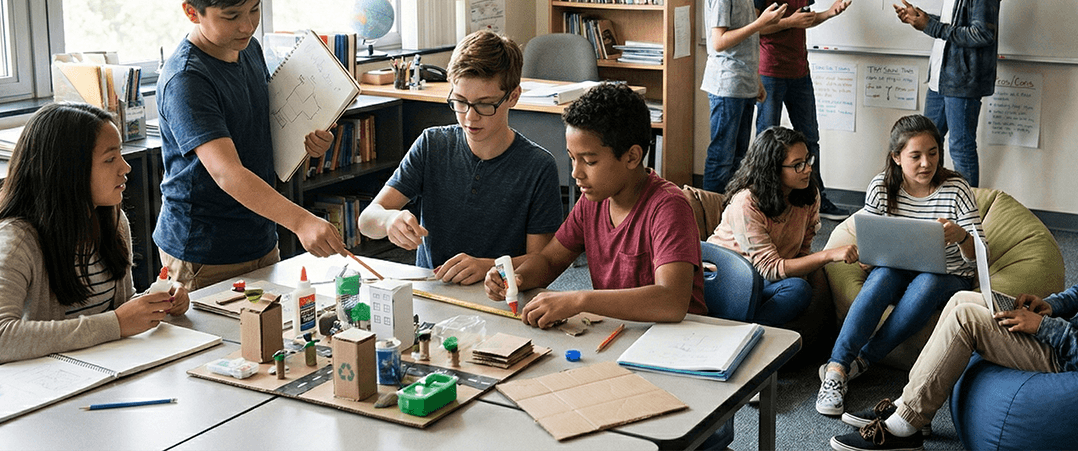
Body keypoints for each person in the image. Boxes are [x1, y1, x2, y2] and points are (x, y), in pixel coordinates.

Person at [831, 158, 1078, 451]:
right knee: (964, 298)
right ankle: (912, 410)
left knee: (966, 316)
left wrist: (1043, 327)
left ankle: (904, 428)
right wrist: (1048, 306)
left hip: (1070, 359)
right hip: (1065, 333)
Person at [155, 0, 344, 291]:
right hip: (203, 252)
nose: (247, 26)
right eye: (231, 16)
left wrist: (306, 143)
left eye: (254, 10)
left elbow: (260, 132)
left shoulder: (249, 50)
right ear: (191, 11)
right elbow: (227, 173)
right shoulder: (187, 79)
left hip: (258, 237)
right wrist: (302, 222)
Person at [0, 103, 190, 366]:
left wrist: (156, 302)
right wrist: (118, 323)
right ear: (66, 170)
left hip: (104, 372)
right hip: (45, 387)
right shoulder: (13, 240)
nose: (125, 167)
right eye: (110, 159)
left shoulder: (113, 220)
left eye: (120, 154)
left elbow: (115, 309)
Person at [484, 82, 706, 326]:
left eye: (589, 161)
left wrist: (580, 300)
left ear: (632, 157)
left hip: (677, 341)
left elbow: (671, 302)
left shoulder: (668, 208)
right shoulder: (593, 200)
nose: (575, 173)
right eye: (572, 158)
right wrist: (517, 279)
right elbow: (550, 260)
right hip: (622, 332)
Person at [358, 31, 564, 285]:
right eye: (460, 101)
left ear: (513, 96)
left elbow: (541, 262)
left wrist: (488, 267)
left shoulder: (537, 166)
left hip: (499, 296)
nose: (469, 117)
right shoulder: (431, 145)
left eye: (485, 104)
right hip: (433, 291)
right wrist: (389, 220)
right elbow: (366, 221)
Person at [816, 115, 983, 417]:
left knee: (929, 281)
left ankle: (864, 360)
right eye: (915, 155)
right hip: (897, 269)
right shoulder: (881, 186)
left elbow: (977, 257)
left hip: (948, 277)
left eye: (933, 153)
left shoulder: (956, 188)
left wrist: (960, 236)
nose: (926, 163)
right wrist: (869, 256)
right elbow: (867, 240)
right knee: (882, 277)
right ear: (896, 157)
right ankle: (837, 371)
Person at [893, 0, 1006, 188]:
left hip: (963, 81)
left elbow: (982, 34)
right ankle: (933, 204)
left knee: (961, 148)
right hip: (941, 78)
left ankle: (969, 217)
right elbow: (954, 23)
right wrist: (921, 18)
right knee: (927, 144)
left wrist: (930, 26)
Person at [750, 0, 853, 219]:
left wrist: (829, 13)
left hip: (800, 70)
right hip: (770, 71)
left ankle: (815, 199)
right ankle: (764, 202)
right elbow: (753, 27)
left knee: (809, 138)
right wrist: (788, 22)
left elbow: (804, 19)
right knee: (767, 139)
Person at [706, 126, 858, 327]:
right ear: (772, 169)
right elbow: (769, 268)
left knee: (799, 288)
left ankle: (746, 327)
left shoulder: (808, 195)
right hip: (724, 278)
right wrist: (828, 255)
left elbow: (801, 252)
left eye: (807, 160)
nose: (808, 169)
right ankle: (745, 333)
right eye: (798, 165)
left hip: (762, 279)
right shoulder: (746, 202)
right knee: (797, 289)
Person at [701, 0, 788, 193]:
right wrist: (759, 24)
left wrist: (756, 82)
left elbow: (747, 39)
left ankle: (729, 221)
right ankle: (709, 221)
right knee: (721, 159)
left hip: (743, 85)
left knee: (739, 161)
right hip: (726, 86)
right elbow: (719, 41)